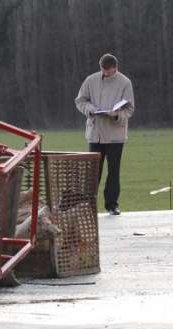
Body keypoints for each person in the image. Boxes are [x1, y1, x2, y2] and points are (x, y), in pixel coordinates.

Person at [75, 53, 135, 215]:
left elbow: (129, 108)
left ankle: (112, 204)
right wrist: (91, 110)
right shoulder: (91, 80)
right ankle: (88, 205)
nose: (105, 73)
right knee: (93, 171)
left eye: (109, 71)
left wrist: (116, 115)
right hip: (95, 133)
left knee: (113, 170)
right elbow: (80, 101)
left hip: (115, 135)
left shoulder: (125, 82)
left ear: (116, 68)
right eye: (103, 70)